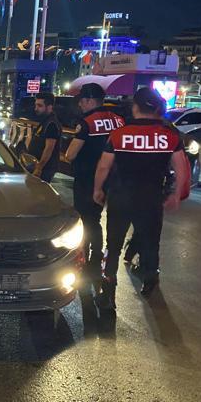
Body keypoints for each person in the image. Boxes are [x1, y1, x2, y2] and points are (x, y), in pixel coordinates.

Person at [93, 88, 188, 309]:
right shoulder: (169, 135)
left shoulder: (120, 134)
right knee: (150, 243)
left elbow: (104, 166)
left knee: (113, 245)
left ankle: (108, 287)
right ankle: (150, 279)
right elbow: (181, 168)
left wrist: (98, 189)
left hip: (120, 197)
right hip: (151, 199)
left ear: (135, 107)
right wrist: (175, 194)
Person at [64, 83, 125, 289]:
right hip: (114, 178)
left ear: (90, 100)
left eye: (82, 100)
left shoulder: (87, 122)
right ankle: (103, 259)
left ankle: (90, 257)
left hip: (87, 179)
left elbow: (70, 154)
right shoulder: (119, 120)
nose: (80, 104)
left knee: (87, 220)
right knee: (99, 219)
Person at [28, 92, 61, 182]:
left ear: (49, 107)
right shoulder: (45, 121)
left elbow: (48, 149)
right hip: (37, 165)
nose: (36, 108)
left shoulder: (51, 124)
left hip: (44, 169)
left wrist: (39, 168)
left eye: (39, 106)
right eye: (36, 105)